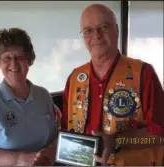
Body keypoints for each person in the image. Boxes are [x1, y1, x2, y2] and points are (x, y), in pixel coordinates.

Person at [61, 4, 164, 166]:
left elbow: (160, 134)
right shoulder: (75, 78)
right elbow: (66, 132)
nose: (96, 35)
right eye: (88, 30)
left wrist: (117, 141)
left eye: (103, 27)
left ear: (116, 29)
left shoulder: (143, 73)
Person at [0, 28, 59, 166]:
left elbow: (54, 137)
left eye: (19, 57)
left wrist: (47, 155)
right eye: (7, 58)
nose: (14, 64)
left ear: (28, 60)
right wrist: (19, 160)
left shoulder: (43, 96)